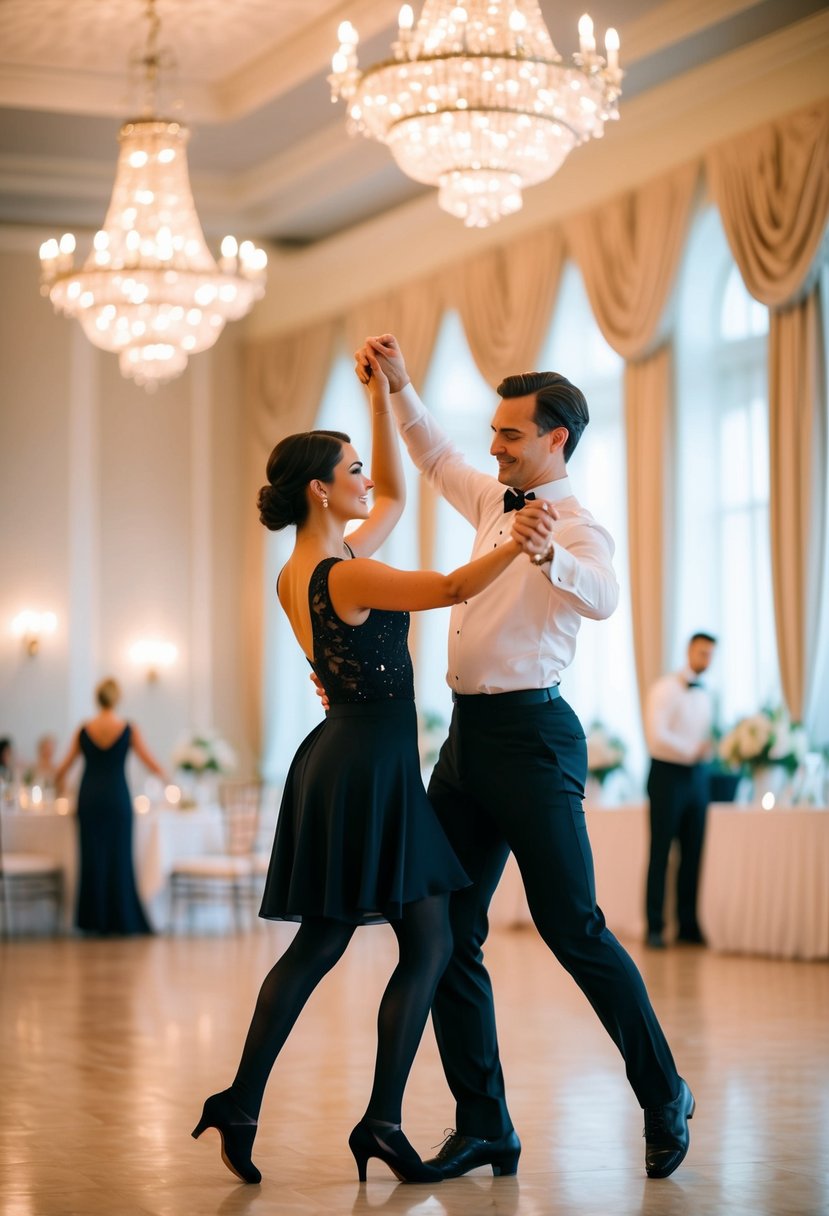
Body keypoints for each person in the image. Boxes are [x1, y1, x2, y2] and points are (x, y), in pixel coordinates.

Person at [353, 334, 695, 1183]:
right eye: (496, 432)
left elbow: (606, 597)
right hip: (465, 744)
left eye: (511, 434)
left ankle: (664, 1093)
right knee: (442, 933)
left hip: (534, 741)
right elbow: (433, 454)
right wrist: (398, 385)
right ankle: (485, 1126)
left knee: (570, 926)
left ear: (556, 441)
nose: (496, 445)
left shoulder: (577, 526)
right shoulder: (490, 504)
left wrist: (549, 555)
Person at [192, 349, 526, 1187]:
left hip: (339, 760)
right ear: (318, 488)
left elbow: (394, 496)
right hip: (368, 767)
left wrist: (379, 400)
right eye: (348, 468)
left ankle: (243, 1103)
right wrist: (520, 540)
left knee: (332, 941)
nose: (362, 477)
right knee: (429, 937)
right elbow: (452, 586)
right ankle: (376, 1119)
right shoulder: (353, 571)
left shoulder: (299, 570)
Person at [54, 678, 166, 935]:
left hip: (89, 798)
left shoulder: (84, 729)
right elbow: (151, 763)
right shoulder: (128, 728)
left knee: (92, 858)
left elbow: (63, 768)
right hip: (117, 798)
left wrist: (56, 784)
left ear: (97, 698)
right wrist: (170, 779)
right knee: (119, 858)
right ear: (117, 699)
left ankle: (93, 920)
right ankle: (120, 919)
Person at [644, 632, 717, 949]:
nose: (706, 659)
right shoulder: (664, 689)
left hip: (697, 778)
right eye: (702, 652)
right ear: (689, 650)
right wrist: (692, 749)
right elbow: (655, 737)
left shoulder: (706, 694)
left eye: (710, 654)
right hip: (667, 775)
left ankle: (687, 925)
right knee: (661, 852)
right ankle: (655, 927)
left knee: (693, 852)